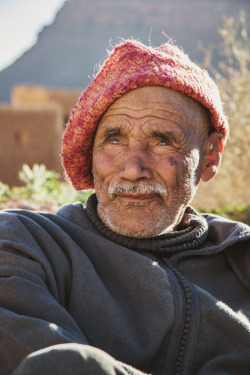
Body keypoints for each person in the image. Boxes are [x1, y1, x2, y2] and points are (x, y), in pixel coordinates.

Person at [0, 40, 249, 375]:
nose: (133, 169)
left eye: (162, 141)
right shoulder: (26, 243)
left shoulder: (239, 255)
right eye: (114, 140)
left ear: (211, 155)